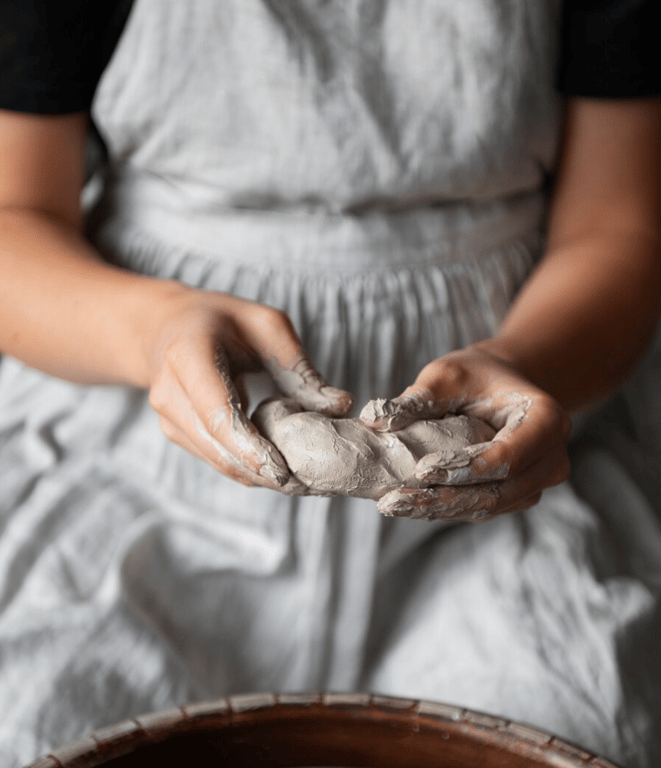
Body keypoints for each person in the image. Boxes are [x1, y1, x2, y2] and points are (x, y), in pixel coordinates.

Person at [0, 1, 660, 765]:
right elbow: (15, 217)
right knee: (32, 722)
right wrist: (153, 333)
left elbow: (617, 230)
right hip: (142, 463)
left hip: (500, 491)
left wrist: (531, 366)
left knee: (582, 721)